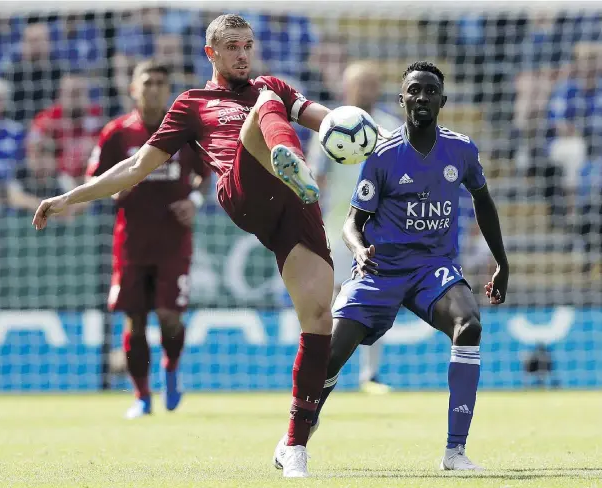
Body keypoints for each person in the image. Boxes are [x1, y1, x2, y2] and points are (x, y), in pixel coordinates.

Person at [33, 14, 337, 478]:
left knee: (318, 320)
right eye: (232, 47)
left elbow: (325, 119)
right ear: (210, 53)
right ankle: (291, 159)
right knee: (267, 106)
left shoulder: (269, 83)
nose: (242, 55)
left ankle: (293, 445)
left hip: (296, 206)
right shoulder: (193, 103)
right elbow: (136, 167)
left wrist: (360, 131)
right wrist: (67, 197)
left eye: (248, 46)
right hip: (245, 189)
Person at [275, 61, 510, 471]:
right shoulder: (382, 153)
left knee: (469, 324)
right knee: (329, 354)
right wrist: (359, 247)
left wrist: (501, 263)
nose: (422, 97)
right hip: (381, 268)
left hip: (432, 268)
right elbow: (353, 221)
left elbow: (483, 202)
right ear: (402, 99)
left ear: (443, 100)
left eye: (430, 91)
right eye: (414, 91)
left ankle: (455, 452)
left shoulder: (461, 149)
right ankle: (297, 438)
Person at [85, 60, 210, 419]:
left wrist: (194, 200)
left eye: (160, 82)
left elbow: (209, 174)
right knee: (134, 320)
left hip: (174, 242)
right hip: (132, 243)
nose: (153, 88)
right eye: (147, 82)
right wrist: (112, 193)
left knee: (170, 317)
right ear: (133, 88)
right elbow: (95, 179)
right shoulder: (116, 133)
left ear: (168, 89)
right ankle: (141, 397)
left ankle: (171, 367)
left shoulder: (185, 132)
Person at [307, 60, 402, 395]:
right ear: (346, 88)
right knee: (323, 302)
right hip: (335, 229)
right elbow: (315, 180)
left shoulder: (391, 128)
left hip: (378, 232)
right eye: (360, 84)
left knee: (374, 300)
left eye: (372, 83)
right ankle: (315, 367)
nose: (366, 90)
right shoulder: (330, 126)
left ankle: (370, 376)